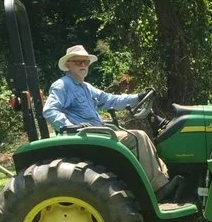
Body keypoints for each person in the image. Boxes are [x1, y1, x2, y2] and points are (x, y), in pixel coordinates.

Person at [42, 45, 182, 202]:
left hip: (96, 133)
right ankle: (158, 190)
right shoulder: (62, 85)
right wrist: (69, 126)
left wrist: (138, 97)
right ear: (68, 65)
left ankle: (164, 180)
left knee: (144, 137)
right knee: (137, 137)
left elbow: (110, 100)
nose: (83, 65)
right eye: (78, 62)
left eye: (85, 62)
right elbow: (50, 110)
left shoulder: (86, 87)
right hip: (86, 135)